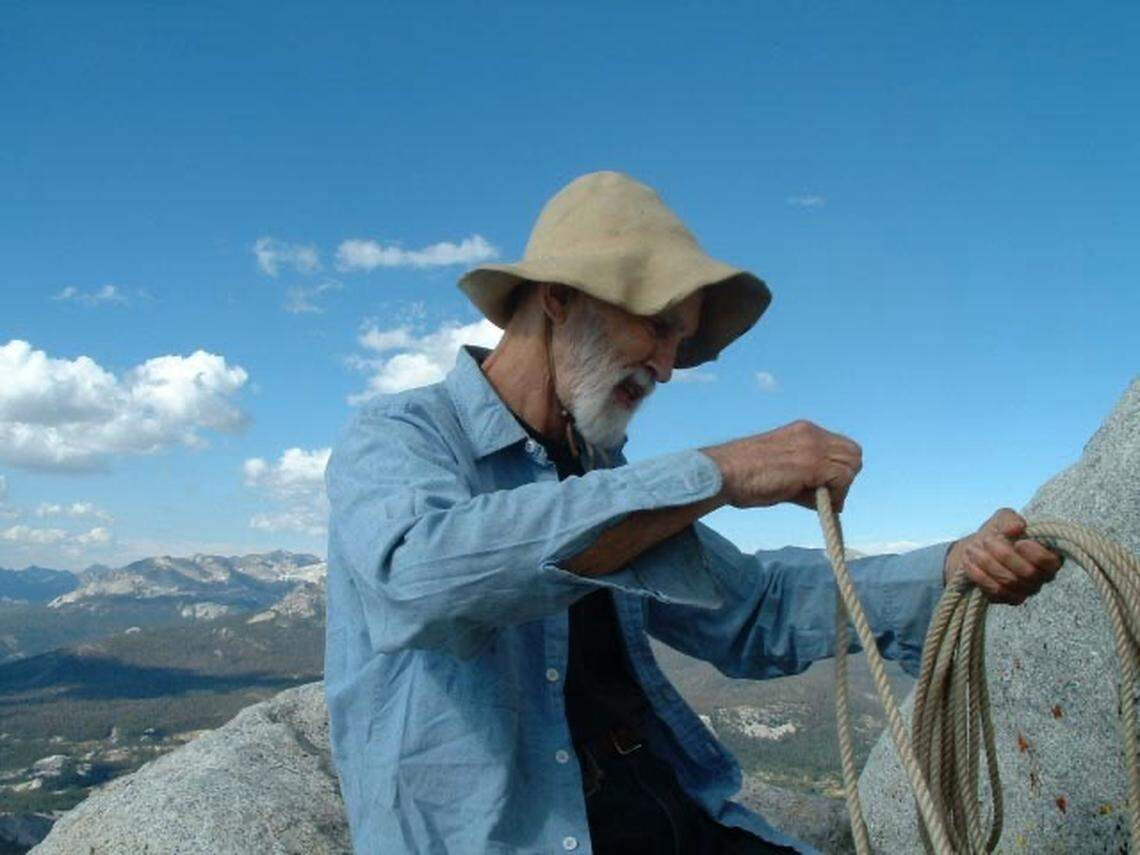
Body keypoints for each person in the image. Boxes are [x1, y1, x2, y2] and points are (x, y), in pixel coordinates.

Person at [323, 171, 1061, 854]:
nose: (668, 367)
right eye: (659, 324)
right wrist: (722, 471)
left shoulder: (602, 477)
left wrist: (950, 567)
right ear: (557, 297)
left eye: (681, 338)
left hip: (660, 804)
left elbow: (753, 608)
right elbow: (421, 578)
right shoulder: (398, 436)